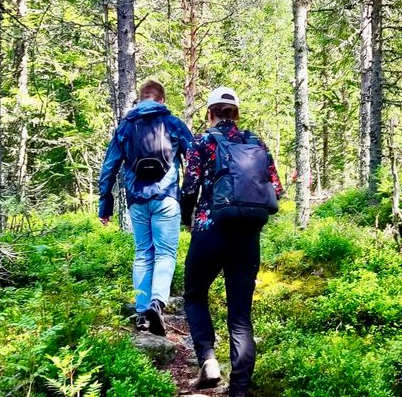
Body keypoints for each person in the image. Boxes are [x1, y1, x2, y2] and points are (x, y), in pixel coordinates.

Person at [181, 86, 284, 397]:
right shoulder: (257, 143)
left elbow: (189, 189)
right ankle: (238, 391)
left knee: (195, 294)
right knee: (240, 316)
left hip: (210, 229)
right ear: (236, 113)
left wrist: (189, 220)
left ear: (210, 112)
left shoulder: (202, 142)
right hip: (247, 237)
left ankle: (208, 360)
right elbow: (276, 190)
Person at [98, 80, 193, 336]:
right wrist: (192, 200)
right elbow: (195, 160)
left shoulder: (126, 126)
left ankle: (142, 314)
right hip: (167, 197)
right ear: (162, 100)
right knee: (165, 253)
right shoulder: (172, 123)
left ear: (140, 99)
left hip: (137, 199)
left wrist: (105, 204)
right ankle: (157, 302)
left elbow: (109, 167)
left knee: (142, 253)